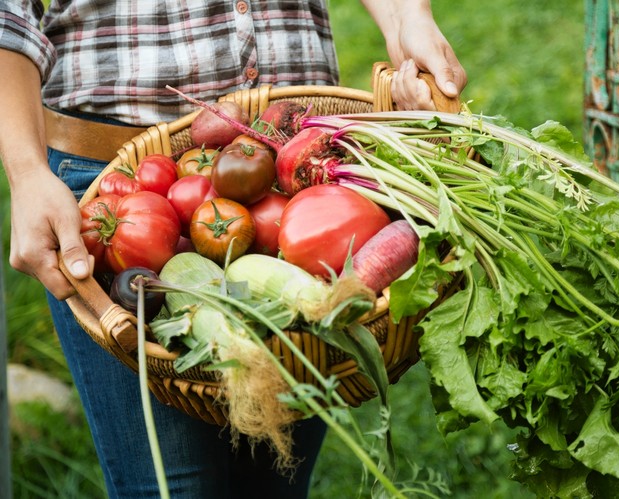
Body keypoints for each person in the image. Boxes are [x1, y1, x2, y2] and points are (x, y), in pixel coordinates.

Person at [0, 1, 466, 498]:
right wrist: (27, 173)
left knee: (275, 488)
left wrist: (407, 20)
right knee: (171, 489)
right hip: (117, 183)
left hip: (302, 160)